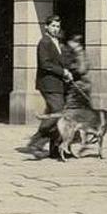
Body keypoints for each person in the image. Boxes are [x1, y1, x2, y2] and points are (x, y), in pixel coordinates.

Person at [26, 15, 71, 158]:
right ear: (46, 27)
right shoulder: (44, 42)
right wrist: (62, 71)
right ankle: (36, 141)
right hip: (48, 84)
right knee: (58, 113)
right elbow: (45, 64)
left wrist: (67, 72)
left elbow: (59, 62)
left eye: (57, 26)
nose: (55, 29)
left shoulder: (56, 42)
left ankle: (55, 149)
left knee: (56, 114)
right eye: (53, 26)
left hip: (58, 84)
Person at [62, 33, 91, 111]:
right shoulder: (66, 51)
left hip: (81, 83)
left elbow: (85, 67)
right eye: (76, 41)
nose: (78, 44)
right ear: (70, 41)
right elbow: (80, 69)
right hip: (73, 83)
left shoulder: (79, 51)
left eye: (79, 41)